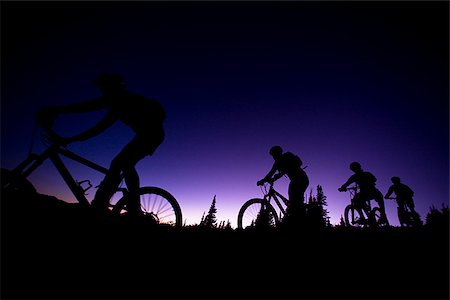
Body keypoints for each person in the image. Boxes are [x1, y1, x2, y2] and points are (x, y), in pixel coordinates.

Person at [36, 73, 166, 216]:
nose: (102, 92)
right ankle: (103, 202)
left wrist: (58, 113)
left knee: (122, 163)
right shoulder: (118, 104)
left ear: (112, 87)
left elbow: (91, 109)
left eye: (104, 88)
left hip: (152, 135)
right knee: (120, 164)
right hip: (147, 134)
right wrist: (68, 136)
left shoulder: (122, 100)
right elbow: (96, 126)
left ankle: (131, 208)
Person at [257, 145, 309, 226]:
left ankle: (301, 220)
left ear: (279, 153)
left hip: (301, 178)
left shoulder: (287, 156)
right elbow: (270, 173)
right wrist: (263, 181)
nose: (274, 157)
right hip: (295, 181)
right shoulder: (276, 163)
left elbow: (290, 166)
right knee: (293, 199)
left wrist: (279, 174)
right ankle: (294, 216)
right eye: (273, 156)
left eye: (274, 154)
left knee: (294, 198)